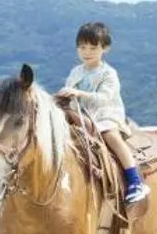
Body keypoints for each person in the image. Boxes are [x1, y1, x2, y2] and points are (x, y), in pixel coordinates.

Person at [61, 21, 147, 206]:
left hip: (105, 114)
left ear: (105, 48)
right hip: (81, 116)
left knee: (110, 135)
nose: (87, 52)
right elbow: (69, 90)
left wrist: (79, 93)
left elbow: (105, 97)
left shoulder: (108, 73)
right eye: (82, 47)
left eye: (93, 48)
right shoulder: (76, 72)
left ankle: (135, 181)